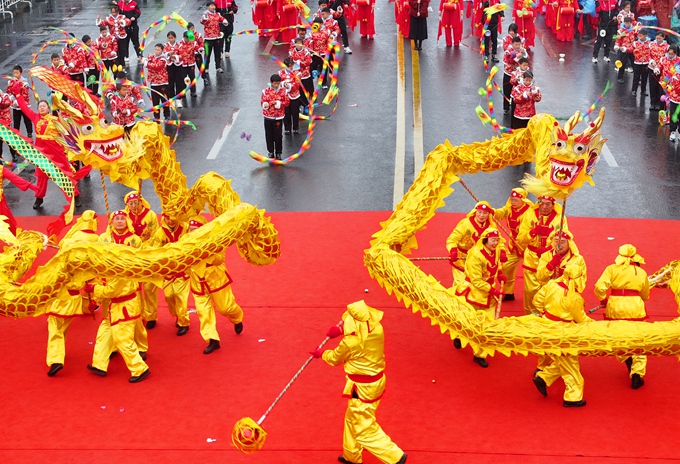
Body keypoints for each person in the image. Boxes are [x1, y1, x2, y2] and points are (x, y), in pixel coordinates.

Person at [310, 300, 408, 464]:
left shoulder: (350, 343)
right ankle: (352, 455)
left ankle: (395, 457)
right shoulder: (377, 329)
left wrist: (321, 353)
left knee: (363, 428)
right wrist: (342, 330)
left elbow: (334, 358)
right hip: (376, 382)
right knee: (352, 418)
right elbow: (359, 331)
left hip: (361, 388)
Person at [87, 210, 150, 383]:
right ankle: (99, 363)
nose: (120, 221)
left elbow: (112, 289)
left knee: (123, 338)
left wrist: (94, 289)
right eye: (117, 219)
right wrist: (96, 297)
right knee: (105, 331)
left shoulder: (132, 246)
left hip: (124, 302)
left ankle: (139, 367)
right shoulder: (104, 240)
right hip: (112, 301)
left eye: (123, 218)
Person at [44, 210, 100, 377]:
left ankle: (56, 359)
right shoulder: (90, 252)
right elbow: (93, 280)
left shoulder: (68, 244)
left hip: (60, 298)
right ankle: (59, 352)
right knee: (63, 326)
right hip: (74, 299)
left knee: (55, 328)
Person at [532, 264, 593, 407]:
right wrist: (597, 325)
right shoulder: (574, 297)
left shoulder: (552, 284)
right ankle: (573, 397)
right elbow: (582, 320)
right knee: (571, 366)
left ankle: (544, 377)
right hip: (563, 333)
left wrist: (543, 311)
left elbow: (537, 300)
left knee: (562, 360)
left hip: (546, 327)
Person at [594, 245, 650, 389]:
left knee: (617, 337)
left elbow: (599, 287)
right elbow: (645, 295)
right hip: (635, 307)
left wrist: (603, 301)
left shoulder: (611, 269)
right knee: (638, 339)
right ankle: (637, 372)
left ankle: (628, 359)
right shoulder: (641, 272)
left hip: (616, 306)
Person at [188, 216, 244, 354]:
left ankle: (237, 318)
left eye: (196, 230)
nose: (192, 233)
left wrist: (206, 251)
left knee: (225, 308)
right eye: (190, 230)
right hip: (197, 283)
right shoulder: (185, 243)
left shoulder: (214, 241)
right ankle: (212, 339)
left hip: (215, 279)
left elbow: (219, 259)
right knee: (203, 312)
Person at [455, 228, 506, 368]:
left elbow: (497, 263)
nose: (496, 243)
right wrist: (493, 290)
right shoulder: (475, 255)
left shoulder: (495, 250)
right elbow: (476, 281)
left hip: (488, 294)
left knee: (486, 325)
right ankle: (459, 335)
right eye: (493, 240)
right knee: (468, 321)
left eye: (497, 240)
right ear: (485, 240)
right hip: (474, 292)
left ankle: (479, 354)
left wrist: (500, 272)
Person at [517, 196, 567, 314]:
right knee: (530, 290)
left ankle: (548, 313)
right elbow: (520, 238)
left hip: (549, 257)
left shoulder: (560, 218)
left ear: (553, 204)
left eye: (548, 204)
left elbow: (565, 238)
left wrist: (549, 248)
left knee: (549, 287)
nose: (544, 207)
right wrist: (533, 232)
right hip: (532, 257)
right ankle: (530, 315)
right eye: (542, 204)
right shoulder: (530, 215)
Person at [123, 191, 160, 329]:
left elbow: (155, 234)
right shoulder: (124, 216)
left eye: (135, 202)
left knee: (150, 288)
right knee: (135, 287)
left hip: (147, 254)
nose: (133, 206)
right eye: (130, 203)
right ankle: (138, 314)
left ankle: (151, 315)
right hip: (132, 255)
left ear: (140, 201)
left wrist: (145, 248)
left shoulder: (150, 215)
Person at [152, 215, 192, 335]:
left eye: (173, 218)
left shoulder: (185, 227)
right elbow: (156, 250)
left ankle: (184, 322)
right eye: (168, 218)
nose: (171, 221)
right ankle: (178, 315)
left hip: (182, 269)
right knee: (169, 296)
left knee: (180, 296)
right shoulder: (160, 232)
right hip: (168, 270)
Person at [446, 201, 499, 288]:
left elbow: (498, 241)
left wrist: (503, 252)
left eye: (485, 213)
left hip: (479, 261)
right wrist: (453, 250)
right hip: (462, 260)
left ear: (488, 214)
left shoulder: (491, 227)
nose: (481, 215)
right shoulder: (465, 223)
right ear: (475, 211)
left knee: (477, 286)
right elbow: (452, 239)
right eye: (479, 212)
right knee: (460, 285)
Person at [493, 188, 533, 301]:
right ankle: (508, 292)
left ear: (523, 200)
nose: (513, 202)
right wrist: (493, 212)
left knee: (531, 273)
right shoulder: (509, 207)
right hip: (513, 244)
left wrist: (523, 238)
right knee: (506, 267)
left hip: (528, 245)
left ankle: (534, 296)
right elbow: (501, 213)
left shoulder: (529, 211)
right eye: (511, 199)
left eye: (515, 200)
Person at [7, 65, 33, 162]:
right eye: (14, 73)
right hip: (15, 107)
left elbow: (25, 96)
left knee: (27, 122)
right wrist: (12, 99)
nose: (15, 75)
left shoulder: (24, 83)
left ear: (21, 73)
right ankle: (17, 142)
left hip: (24, 106)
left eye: (17, 73)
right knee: (16, 125)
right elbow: (9, 92)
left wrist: (18, 101)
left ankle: (30, 136)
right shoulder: (11, 82)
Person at [261, 74, 290, 160]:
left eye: (278, 83)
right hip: (268, 117)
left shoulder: (283, 91)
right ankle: (270, 151)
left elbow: (287, 102)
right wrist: (266, 104)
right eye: (275, 83)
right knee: (269, 135)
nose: (276, 85)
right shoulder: (265, 91)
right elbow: (262, 102)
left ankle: (278, 152)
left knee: (278, 135)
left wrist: (279, 104)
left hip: (278, 117)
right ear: (271, 82)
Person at [143, 44, 171, 122]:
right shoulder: (152, 57)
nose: (156, 51)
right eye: (155, 49)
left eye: (158, 50)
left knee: (164, 100)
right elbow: (147, 59)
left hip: (162, 83)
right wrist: (144, 60)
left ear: (162, 50)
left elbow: (157, 66)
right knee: (155, 102)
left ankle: (167, 115)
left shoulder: (163, 59)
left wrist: (146, 64)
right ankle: (156, 117)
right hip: (154, 83)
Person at [201, 2, 229, 75]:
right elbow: (202, 21)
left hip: (217, 37)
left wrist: (225, 21)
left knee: (217, 53)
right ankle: (206, 68)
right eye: (211, 6)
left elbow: (222, 19)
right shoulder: (205, 15)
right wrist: (205, 18)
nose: (213, 7)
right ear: (208, 7)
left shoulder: (217, 14)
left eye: (214, 6)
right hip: (208, 38)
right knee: (207, 54)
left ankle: (218, 67)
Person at [503, 36, 528, 114]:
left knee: (517, 92)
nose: (517, 46)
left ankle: (515, 107)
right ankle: (506, 107)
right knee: (507, 91)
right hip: (509, 73)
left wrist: (524, 54)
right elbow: (511, 59)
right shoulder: (508, 51)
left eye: (519, 44)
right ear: (512, 44)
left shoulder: (522, 50)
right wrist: (518, 56)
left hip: (519, 75)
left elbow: (525, 60)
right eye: (516, 45)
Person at [289, 37, 313, 109]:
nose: (298, 45)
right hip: (296, 75)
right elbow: (289, 62)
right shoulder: (292, 52)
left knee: (305, 91)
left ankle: (306, 105)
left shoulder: (306, 52)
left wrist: (299, 63)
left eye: (300, 44)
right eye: (297, 44)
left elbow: (309, 62)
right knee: (298, 91)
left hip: (304, 75)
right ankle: (299, 105)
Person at [280, 57, 302, 134]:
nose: (289, 68)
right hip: (285, 96)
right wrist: (283, 84)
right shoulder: (281, 73)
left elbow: (297, 84)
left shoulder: (298, 73)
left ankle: (295, 127)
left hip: (295, 96)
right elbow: (278, 84)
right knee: (286, 113)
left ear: (292, 65)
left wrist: (288, 85)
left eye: (290, 66)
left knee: (295, 112)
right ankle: (287, 128)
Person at [648, 31, 669, 110]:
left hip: (661, 70)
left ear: (663, 37)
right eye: (657, 38)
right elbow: (648, 55)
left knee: (659, 87)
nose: (658, 40)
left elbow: (666, 59)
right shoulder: (651, 45)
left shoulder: (667, 47)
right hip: (652, 68)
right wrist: (651, 61)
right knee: (652, 86)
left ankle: (658, 103)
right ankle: (652, 102)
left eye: (660, 38)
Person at [178, 31, 200, 99]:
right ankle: (183, 92)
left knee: (192, 77)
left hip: (191, 64)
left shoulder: (193, 43)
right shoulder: (179, 44)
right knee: (183, 78)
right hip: (183, 64)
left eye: (188, 38)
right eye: (186, 38)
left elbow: (198, 48)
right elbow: (176, 53)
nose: (187, 40)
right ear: (184, 37)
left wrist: (200, 49)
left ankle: (193, 91)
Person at [614, 16, 635, 84]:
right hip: (624, 49)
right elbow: (617, 39)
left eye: (628, 23)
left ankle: (637, 78)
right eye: (626, 23)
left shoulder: (633, 29)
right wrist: (617, 45)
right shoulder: (621, 31)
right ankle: (620, 77)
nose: (627, 24)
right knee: (622, 64)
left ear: (630, 23)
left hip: (632, 49)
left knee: (634, 65)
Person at [164, 31, 182, 106]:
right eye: (169, 38)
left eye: (172, 38)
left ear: (175, 37)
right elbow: (164, 54)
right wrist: (168, 54)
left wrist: (175, 56)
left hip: (177, 65)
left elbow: (182, 54)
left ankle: (178, 99)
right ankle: (172, 98)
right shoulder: (165, 45)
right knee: (170, 82)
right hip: (169, 65)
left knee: (179, 82)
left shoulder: (179, 45)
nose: (170, 39)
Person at [630, 29, 650, 97]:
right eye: (639, 36)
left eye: (641, 36)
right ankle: (634, 90)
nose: (639, 37)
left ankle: (643, 91)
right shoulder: (635, 43)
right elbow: (630, 49)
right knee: (636, 77)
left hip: (646, 63)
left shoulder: (649, 43)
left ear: (645, 36)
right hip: (637, 63)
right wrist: (624, 49)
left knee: (644, 77)